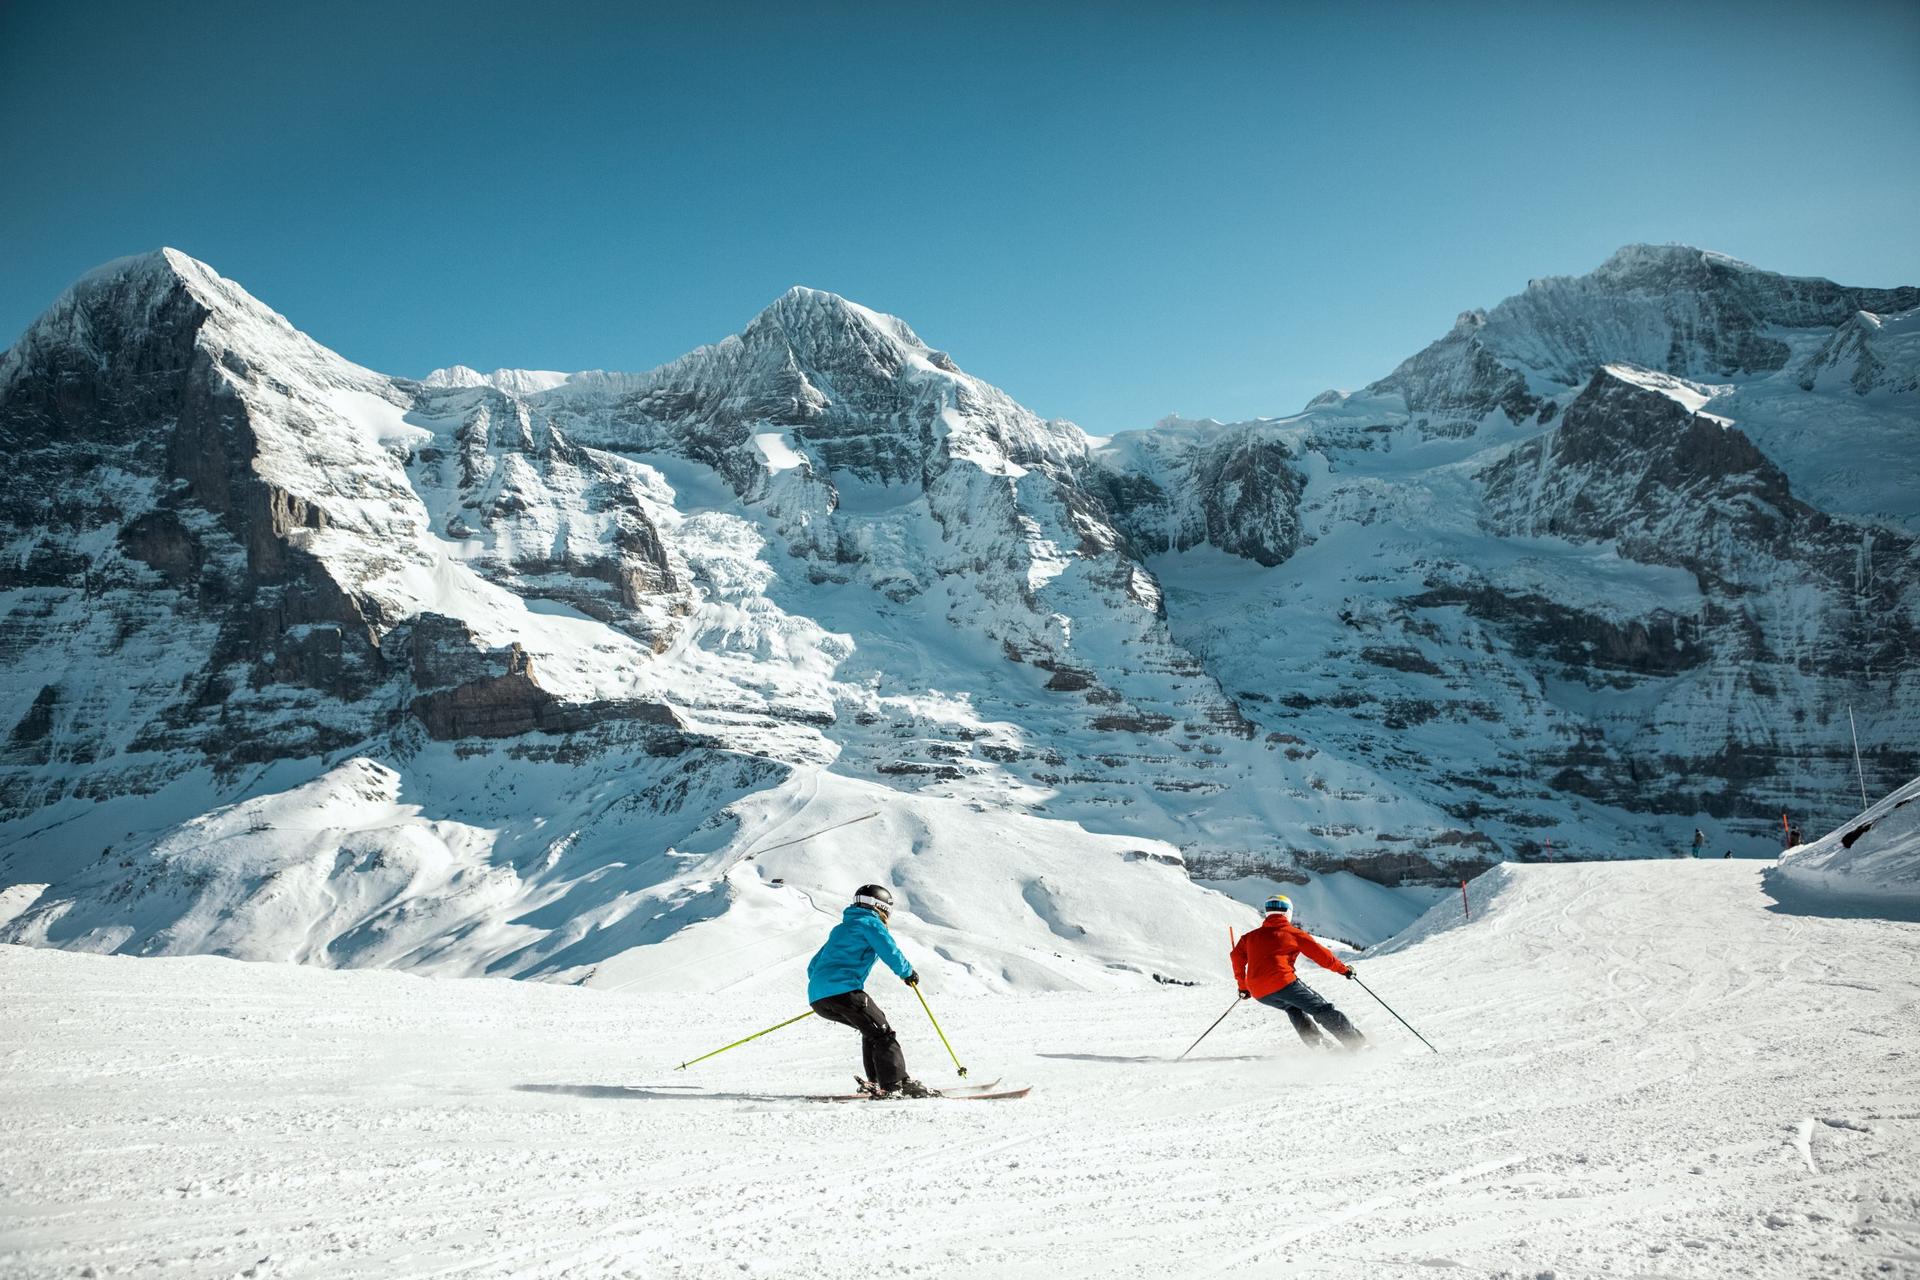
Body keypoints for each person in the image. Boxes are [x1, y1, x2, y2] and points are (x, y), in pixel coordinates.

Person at [807, 884, 937, 1098]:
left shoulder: (841, 929)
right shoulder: (870, 923)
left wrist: (826, 990)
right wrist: (907, 973)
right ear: (880, 906)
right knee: (883, 1034)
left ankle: (877, 1082)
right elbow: (889, 951)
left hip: (818, 997)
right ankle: (894, 1084)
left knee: (873, 1030)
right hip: (845, 991)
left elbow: (813, 966)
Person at [1231, 894, 1366, 1050]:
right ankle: (1357, 1044)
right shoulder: (1293, 933)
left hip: (1259, 992)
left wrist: (1243, 987)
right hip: (1284, 983)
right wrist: (1344, 970)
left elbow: (1236, 957)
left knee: (1292, 1008)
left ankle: (1319, 1046)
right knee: (1322, 1009)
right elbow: (1321, 955)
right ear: (1288, 912)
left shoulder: (1249, 937)